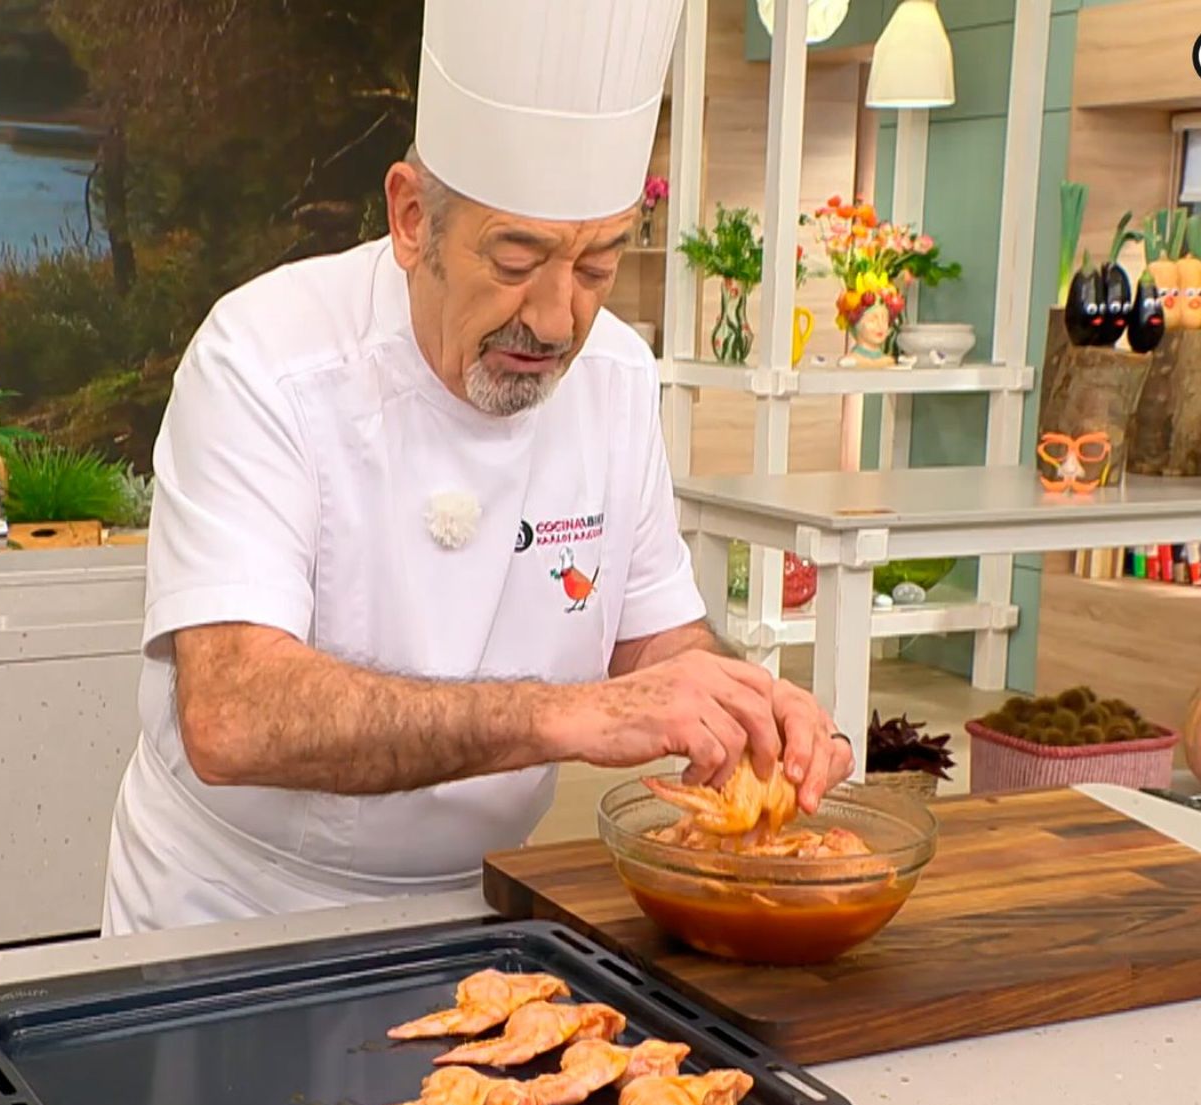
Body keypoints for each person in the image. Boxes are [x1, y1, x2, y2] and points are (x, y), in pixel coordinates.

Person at [100, 0, 854, 935]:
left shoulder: (616, 377)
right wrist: (566, 717)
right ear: (412, 218)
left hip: (486, 905)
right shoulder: (263, 357)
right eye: (516, 258)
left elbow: (656, 637)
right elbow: (233, 713)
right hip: (233, 906)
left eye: (596, 265)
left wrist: (746, 707)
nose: (554, 319)